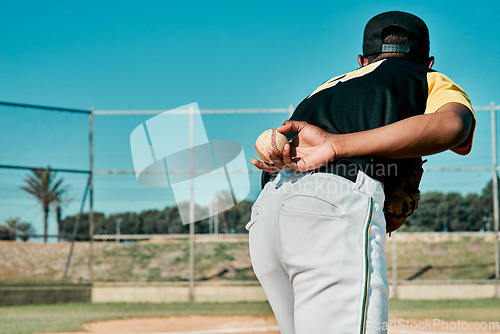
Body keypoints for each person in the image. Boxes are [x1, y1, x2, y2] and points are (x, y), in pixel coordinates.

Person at [247, 11, 475, 334]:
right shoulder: (425, 77)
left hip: (267, 216)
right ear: (428, 61)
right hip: (330, 213)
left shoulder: (323, 89)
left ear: (361, 61)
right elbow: (455, 126)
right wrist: (338, 146)